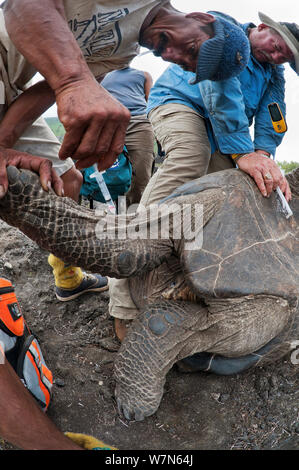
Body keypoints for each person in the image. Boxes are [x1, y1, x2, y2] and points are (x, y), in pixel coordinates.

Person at [0, 2, 251, 301]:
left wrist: (4, 142)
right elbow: (22, 5)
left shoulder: (123, 53)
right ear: (200, 18)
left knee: (69, 181)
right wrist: (73, 81)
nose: (171, 56)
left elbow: (47, 90)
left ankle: (67, 278)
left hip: (13, 87)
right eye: (193, 48)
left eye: (184, 63)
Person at [108, 11, 299, 340]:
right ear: (264, 27)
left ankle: (200, 279)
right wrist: (243, 153)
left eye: (286, 57)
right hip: (180, 105)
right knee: (190, 156)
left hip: (222, 133)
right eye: (278, 46)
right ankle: (125, 290)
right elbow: (220, 98)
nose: (278, 55)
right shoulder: (225, 40)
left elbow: (273, 118)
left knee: (238, 192)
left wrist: (264, 157)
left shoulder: (272, 74)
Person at [101, 66, 155, 206]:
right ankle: (110, 212)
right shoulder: (100, 75)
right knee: (110, 173)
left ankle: (136, 214)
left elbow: (152, 102)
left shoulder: (144, 74)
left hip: (139, 123)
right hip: (109, 124)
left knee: (141, 174)